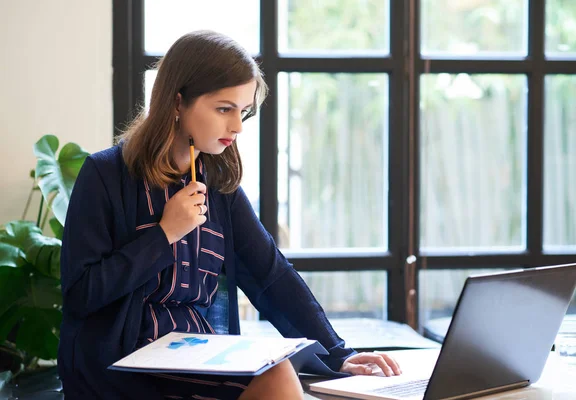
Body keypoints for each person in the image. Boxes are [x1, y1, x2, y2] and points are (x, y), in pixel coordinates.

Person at [58, 30, 401, 400]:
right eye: (224, 109)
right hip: (122, 365)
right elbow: (80, 294)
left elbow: (271, 276)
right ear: (177, 102)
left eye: (244, 111)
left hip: (196, 356)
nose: (237, 126)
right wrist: (163, 236)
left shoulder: (219, 186)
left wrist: (338, 353)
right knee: (277, 379)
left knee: (282, 373)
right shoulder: (105, 175)